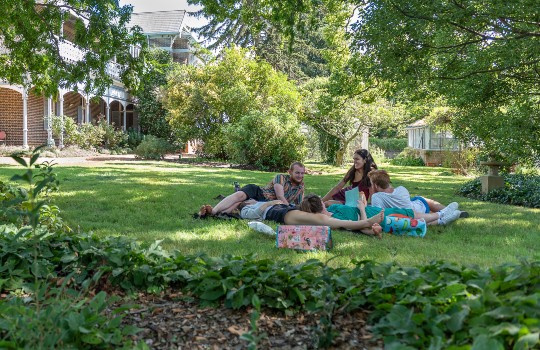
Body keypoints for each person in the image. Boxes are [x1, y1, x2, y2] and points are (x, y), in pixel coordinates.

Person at [199, 162, 306, 217]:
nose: (300, 175)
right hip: (258, 192)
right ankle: (214, 211)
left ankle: (214, 215)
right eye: (297, 172)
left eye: (302, 173)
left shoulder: (300, 187)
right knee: (239, 196)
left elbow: (300, 204)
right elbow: (280, 197)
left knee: (240, 204)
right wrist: (290, 208)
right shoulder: (281, 177)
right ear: (290, 172)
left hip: (263, 203)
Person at [368, 169, 462, 225]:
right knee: (419, 200)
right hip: (419, 209)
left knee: (417, 201)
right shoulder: (402, 189)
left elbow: (376, 213)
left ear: (375, 185)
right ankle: (444, 213)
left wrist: (372, 193)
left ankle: (442, 217)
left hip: (410, 215)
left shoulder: (377, 197)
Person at [264, 195, 385, 235]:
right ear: (321, 206)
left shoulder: (333, 207)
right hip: (378, 214)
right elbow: (361, 227)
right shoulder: (334, 219)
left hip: (374, 209)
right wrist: (363, 210)